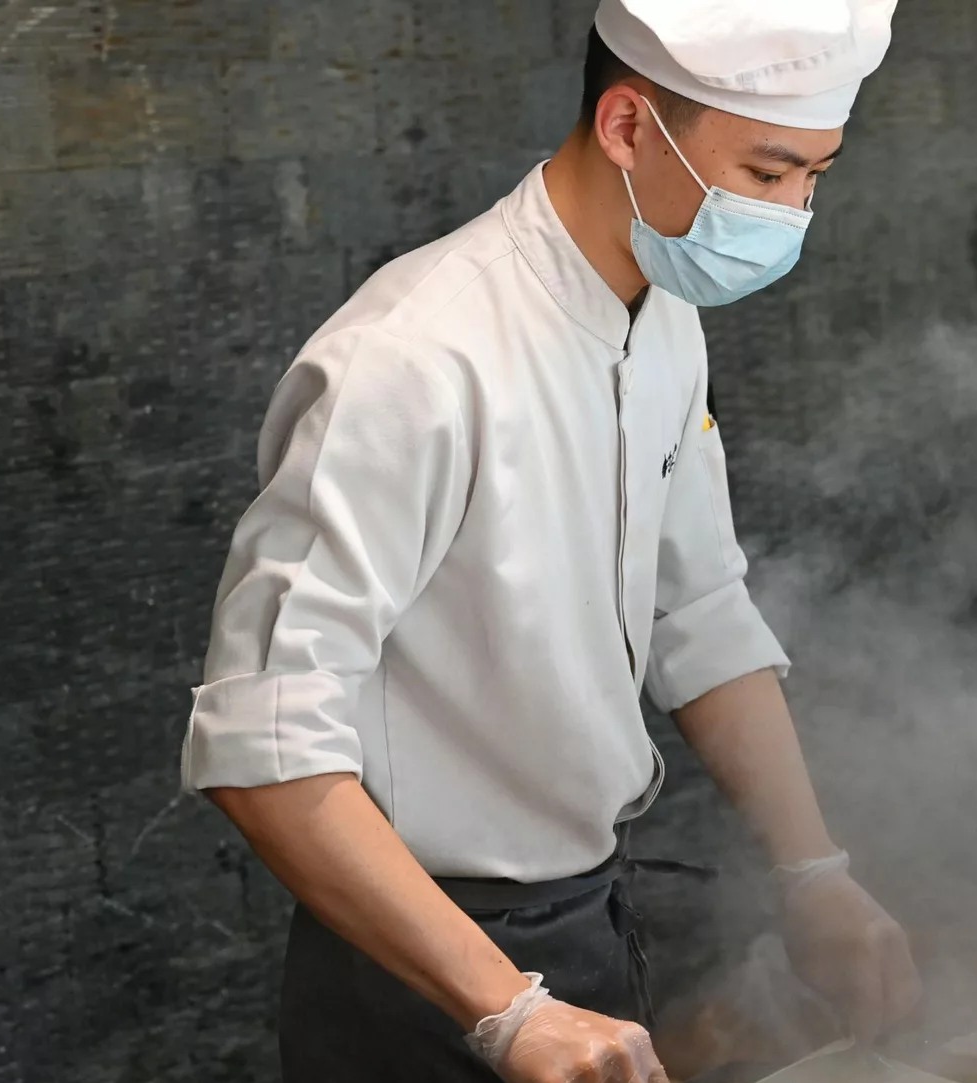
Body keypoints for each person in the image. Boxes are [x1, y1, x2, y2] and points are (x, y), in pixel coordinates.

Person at [179, 2, 918, 1080]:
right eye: (766, 176)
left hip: (589, 925)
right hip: (420, 966)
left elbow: (700, 611)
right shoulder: (415, 359)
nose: (795, 213)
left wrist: (815, 870)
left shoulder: (664, 317)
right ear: (627, 127)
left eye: (817, 174)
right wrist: (507, 1014)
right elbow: (266, 743)